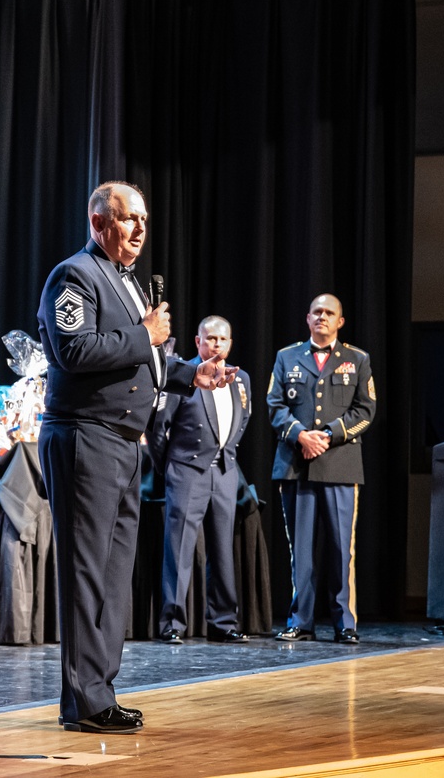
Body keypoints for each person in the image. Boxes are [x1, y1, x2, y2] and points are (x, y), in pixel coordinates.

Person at [37, 181, 236, 735]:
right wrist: (144, 332)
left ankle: (102, 691)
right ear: (100, 222)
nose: (141, 229)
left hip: (126, 443)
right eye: (130, 219)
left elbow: (139, 362)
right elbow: (75, 351)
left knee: (114, 575)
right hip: (85, 437)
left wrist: (189, 374)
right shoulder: (74, 275)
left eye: (145, 219)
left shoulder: (126, 283)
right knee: (86, 573)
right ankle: (83, 701)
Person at [267, 293, 376, 645]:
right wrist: (300, 435)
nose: (322, 317)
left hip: (340, 465)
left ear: (340, 321)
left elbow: (366, 411)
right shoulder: (287, 356)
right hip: (296, 465)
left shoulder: (357, 359)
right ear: (307, 317)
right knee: (301, 549)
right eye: (317, 312)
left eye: (329, 313)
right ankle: (301, 620)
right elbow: (275, 404)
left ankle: (345, 623)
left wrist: (328, 435)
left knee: (342, 549)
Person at [150, 315, 252, 644]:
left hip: (224, 471)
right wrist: (170, 467)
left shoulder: (242, 380)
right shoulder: (185, 374)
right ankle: (172, 625)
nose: (216, 344)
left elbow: (243, 419)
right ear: (198, 342)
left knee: (222, 550)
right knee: (179, 550)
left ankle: (223, 623)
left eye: (223, 339)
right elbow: (159, 429)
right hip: (187, 471)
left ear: (231, 343)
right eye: (210, 338)